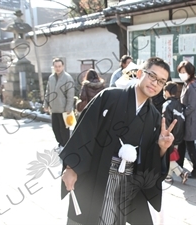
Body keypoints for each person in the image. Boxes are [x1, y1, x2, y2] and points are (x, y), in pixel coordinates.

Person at [60, 57, 176, 225]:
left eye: (161, 81)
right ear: (140, 73)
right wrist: (71, 167)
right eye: (152, 76)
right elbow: (84, 131)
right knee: (84, 218)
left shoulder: (154, 117)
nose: (155, 83)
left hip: (125, 184)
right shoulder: (109, 97)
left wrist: (162, 148)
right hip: (94, 174)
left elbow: (150, 165)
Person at [176, 61, 196, 179]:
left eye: (184, 72)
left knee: (189, 145)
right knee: (182, 144)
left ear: (190, 72)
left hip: (190, 120)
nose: (181, 74)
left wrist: (181, 113)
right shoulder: (190, 83)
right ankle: (178, 167)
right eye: (180, 72)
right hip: (189, 120)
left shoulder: (192, 86)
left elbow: (191, 106)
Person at [43, 58, 75, 152]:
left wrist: (68, 107)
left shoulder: (67, 78)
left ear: (63, 66)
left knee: (64, 129)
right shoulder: (51, 77)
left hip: (64, 109)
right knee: (55, 128)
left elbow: (70, 94)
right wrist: (46, 104)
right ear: (53, 67)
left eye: (59, 66)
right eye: (56, 66)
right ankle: (60, 144)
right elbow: (47, 91)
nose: (58, 68)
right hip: (54, 108)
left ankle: (65, 145)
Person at [162, 81, 188, 184]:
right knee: (171, 156)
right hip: (179, 136)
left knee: (168, 157)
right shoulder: (180, 105)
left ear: (167, 92)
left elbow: (166, 121)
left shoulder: (166, 105)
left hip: (170, 135)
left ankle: (181, 173)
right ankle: (168, 176)